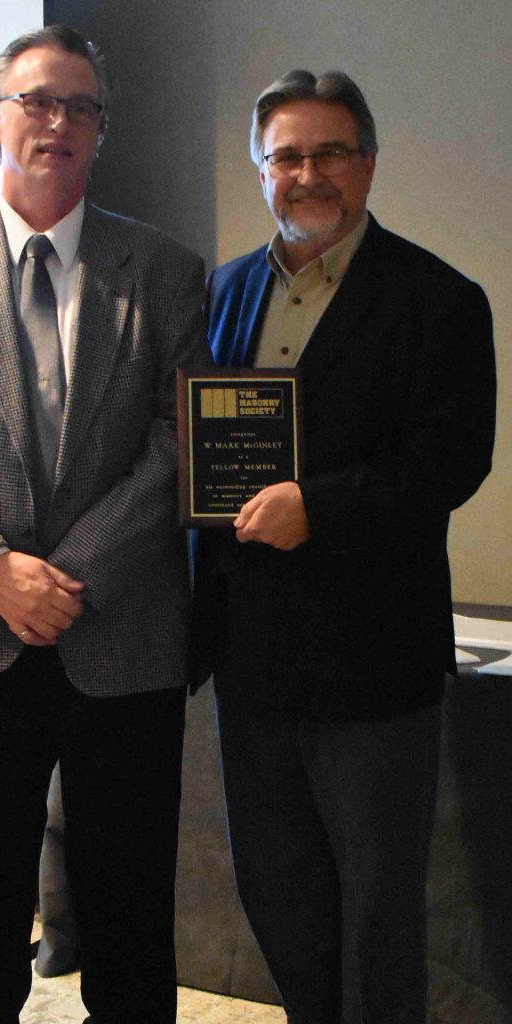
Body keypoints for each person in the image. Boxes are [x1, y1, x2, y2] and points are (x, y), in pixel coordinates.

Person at [0, 24, 209, 1024]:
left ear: (99, 132)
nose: (58, 122)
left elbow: (174, 439)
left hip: (121, 635)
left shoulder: (165, 268)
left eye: (80, 107)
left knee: (130, 904)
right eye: (37, 100)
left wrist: (67, 573)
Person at [192, 69, 496, 1024]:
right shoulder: (226, 291)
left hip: (371, 669)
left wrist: (316, 507)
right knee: (280, 900)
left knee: (376, 917)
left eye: (329, 152)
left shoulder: (439, 301)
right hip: (252, 664)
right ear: (259, 169)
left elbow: (449, 463)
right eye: (285, 155)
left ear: (366, 164)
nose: (307, 174)